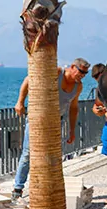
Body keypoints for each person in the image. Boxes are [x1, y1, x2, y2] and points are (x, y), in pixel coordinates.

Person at [12, 58, 89, 200]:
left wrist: (72, 130)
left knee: (53, 154)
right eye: (81, 71)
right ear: (72, 67)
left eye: (85, 73)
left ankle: (48, 188)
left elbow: (73, 108)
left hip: (56, 122)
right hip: (38, 119)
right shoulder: (57, 73)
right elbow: (29, 79)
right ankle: (18, 188)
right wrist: (20, 102)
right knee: (28, 153)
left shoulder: (78, 86)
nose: (82, 75)